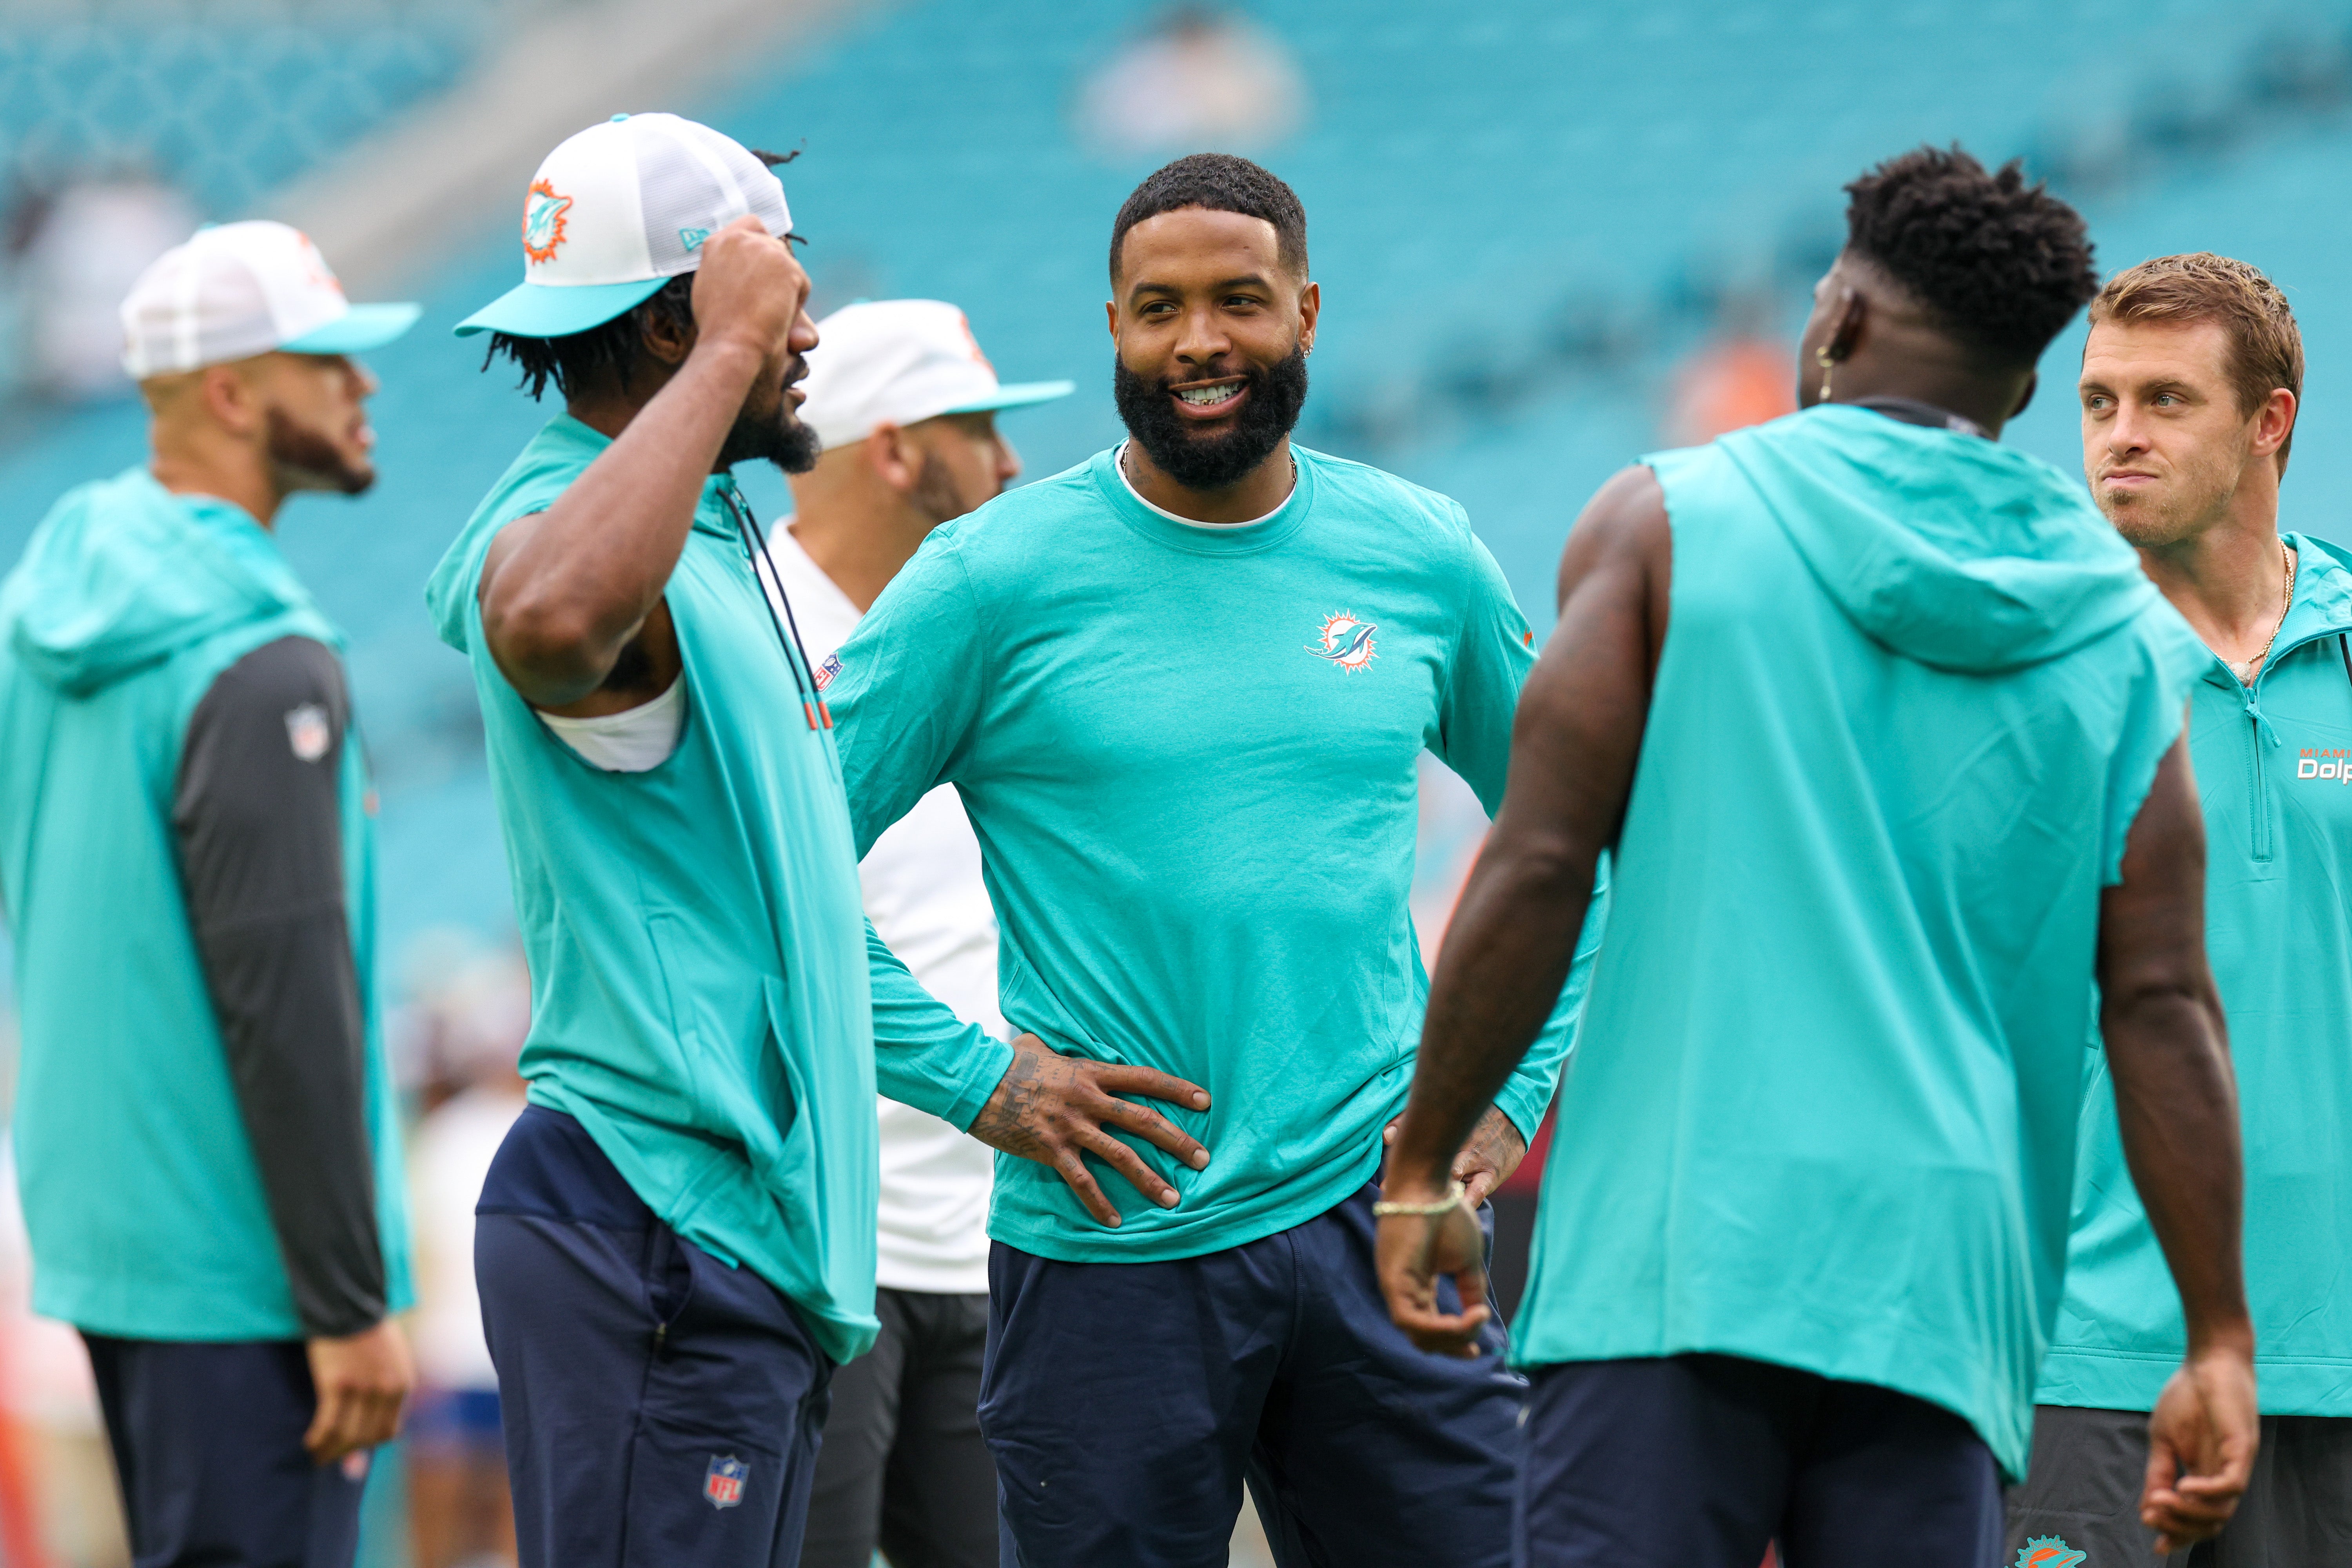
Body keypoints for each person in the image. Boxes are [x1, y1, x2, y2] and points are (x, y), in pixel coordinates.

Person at [1374, 146, 2260, 1568]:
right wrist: (2217, 1338)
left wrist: (1423, 1166)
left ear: (1838, 318)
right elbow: (2159, 1001)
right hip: (1945, 1294)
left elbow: (1538, 866)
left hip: (1671, 1259)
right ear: (2029, 392)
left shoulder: (1666, 525)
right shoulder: (2124, 630)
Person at [430, 114, 1201, 1568]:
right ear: (681, 315)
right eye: (785, 293)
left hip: (740, 1227)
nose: (808, 336)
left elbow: (782, 907)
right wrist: (729, 352)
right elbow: (542, 622)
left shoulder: (714, 543)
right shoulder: (565, 526)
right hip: (657, 1214)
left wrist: (989, 1082)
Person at [824, 152, 1603, 1568]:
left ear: (1306, 311)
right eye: (1157, 309)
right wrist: (978, 1078)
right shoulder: (988, 581)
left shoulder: (1421, 555)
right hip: (1108, 1251)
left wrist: (1506, 1095)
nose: (1199, 343)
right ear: (1111, 327)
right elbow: (780, 866)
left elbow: (1576, 833)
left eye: (1239, 301)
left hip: (1384, 1219)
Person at [0, 220, 419, 1565]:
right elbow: (284, 992)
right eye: (327, 364)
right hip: (245, 1268)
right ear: (233, 393)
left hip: (108, 1234)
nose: (364, 388)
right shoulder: (260, 660)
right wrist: (349, 1301)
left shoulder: (50, 613)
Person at [2011, 252, 2352, 1566]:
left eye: (2165, 400)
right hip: (2088, 1357)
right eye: (2098, 404)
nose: (2121, 437)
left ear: (2270, 421)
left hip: (2335, 1354)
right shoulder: (2035, 669)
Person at [777, 299, 1071, 1568]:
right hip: (821, 1250)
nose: (1011, 467)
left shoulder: (989, 634)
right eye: (979, 432)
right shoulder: (752, 633)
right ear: (894, 451)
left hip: (993, 1242)